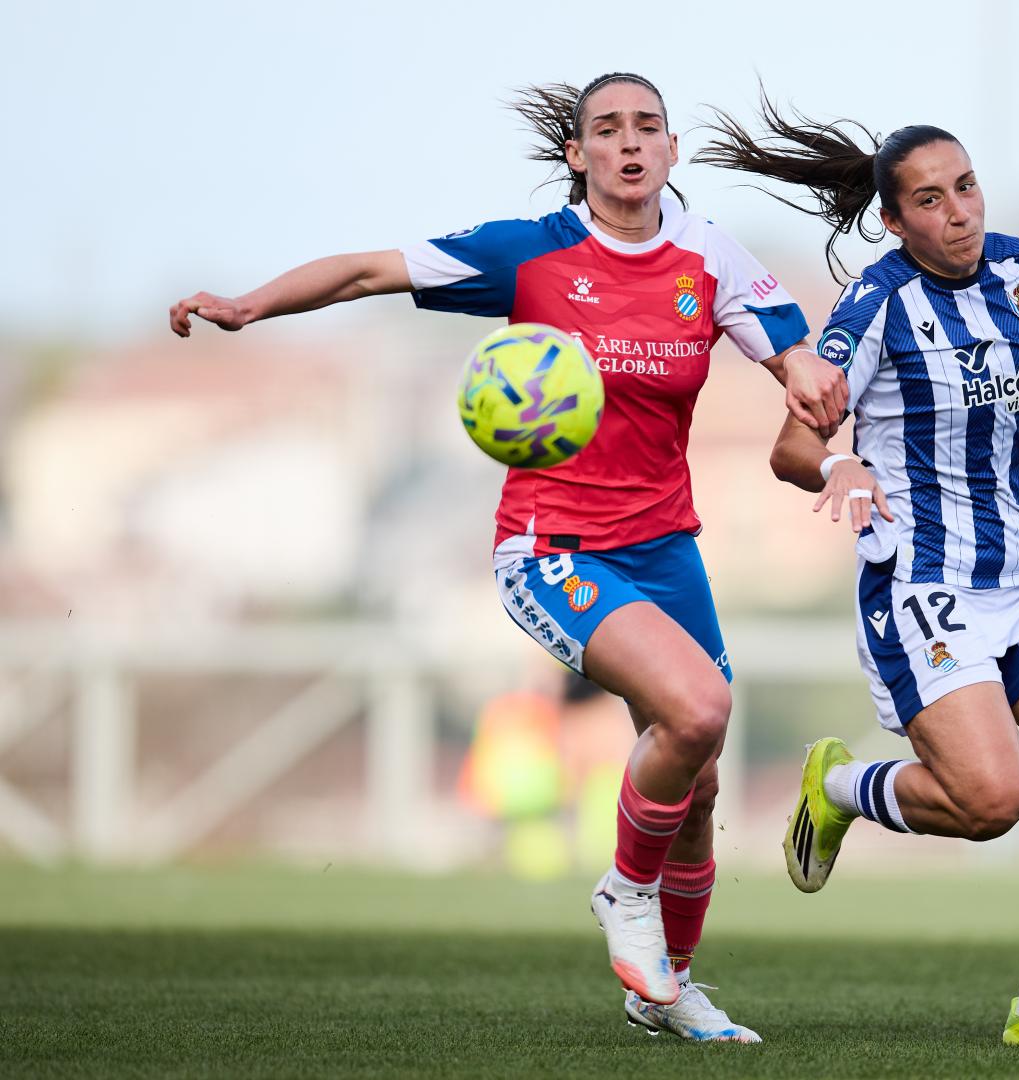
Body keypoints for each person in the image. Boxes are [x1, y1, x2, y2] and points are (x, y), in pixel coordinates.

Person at [169, 72, 848, 1044]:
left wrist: (809, 370)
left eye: (646, 127)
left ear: (669, 151)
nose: (627, 142)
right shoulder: (531, 258)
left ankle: (667, 991)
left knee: (696, 782)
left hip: (665, 548)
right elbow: (370, 272)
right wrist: (247, 306)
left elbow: (790, 353)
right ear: (576, 155)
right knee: (698, 708)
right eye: (606, 129)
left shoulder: (708, 257)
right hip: (553, 547)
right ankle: (623, 894)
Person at [697, 102, 1019, 1047]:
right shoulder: (874, 304)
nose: (960, 212)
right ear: (894, 222)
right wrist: (840, 464)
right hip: (925, 582)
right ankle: (842, 788)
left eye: (966, 187)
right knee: (992, 802)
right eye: (931, 201)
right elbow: (790, 445)